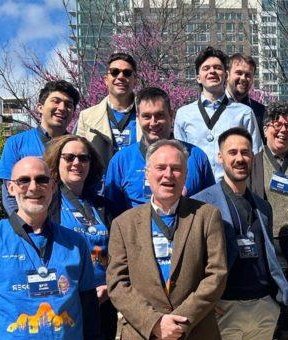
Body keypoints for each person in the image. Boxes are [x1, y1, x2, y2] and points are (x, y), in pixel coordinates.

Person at [0, 157, 103, 340]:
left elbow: (89, 308)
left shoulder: (76, 243)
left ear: (52, 186)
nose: (33, 187)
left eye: (42, 180)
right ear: (11, 188)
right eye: (24, 180)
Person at [106, 139, 228, 340]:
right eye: (161, 168)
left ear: (185, 174)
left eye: (176, 168)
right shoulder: (123, 223)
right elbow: (117, 283)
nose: (168, 175)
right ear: (146, 173)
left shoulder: (207, 216)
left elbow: (216, 274)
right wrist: (155, 323)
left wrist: (179, 321)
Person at [192, 127, 288, 340]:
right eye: (233, 152)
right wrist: (204, 303)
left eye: (245, 153)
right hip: (223, 307)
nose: (240, 158)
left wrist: (273, 303)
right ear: (220, 157)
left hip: (262, 307)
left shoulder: (262, 206)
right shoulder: (201, 204)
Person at [44, 134, 116, 340]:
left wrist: (109, 285)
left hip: (103, 302)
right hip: (65, 302)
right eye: (69, 157)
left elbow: (117, 250)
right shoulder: (47, 203)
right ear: (57, 161)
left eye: (83, 158)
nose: (77, 163)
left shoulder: (102, 206)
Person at [248, 101, 288, 340]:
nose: (283, 129)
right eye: (277, 124)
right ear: (265, 129)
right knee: (272, 316)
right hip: (268, 249)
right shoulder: (253, 163)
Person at [105, 87, 215, 218]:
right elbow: (112, 212)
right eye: (147, 116)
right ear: (138, 118)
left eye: (159, 115)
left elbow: (210, 206)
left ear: (171, 115)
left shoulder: (196, 157)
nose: (153, 122)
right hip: (138, 235)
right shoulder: (121, 161)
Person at [174, 47, 263, 178]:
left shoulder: (244, 113)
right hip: (196, 191)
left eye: (217, 67)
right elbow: (179, 157)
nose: (212, 71)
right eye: (206, 68)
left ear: (226, 75)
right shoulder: (184, 114)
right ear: (198, 78)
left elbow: (256, 155)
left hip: (231, 189)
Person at [0, 80, 80, 215]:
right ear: (40, 107)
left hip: (71, 223)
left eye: (68, 105)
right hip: (32, 222)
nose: (62, 108)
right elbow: (9, 193)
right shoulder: (16, 143)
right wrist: (23, 226)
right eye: (56, 101)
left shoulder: (78, 147)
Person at [76, 52, 140, 168]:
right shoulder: (86, 117)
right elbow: (78, 155)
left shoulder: (149, 115)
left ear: (134, 80)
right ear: (106, 80)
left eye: (127, 73)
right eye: (115, 72)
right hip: (100, 184)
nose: (120, 77)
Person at [226, 53, 266, 140]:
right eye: (239, 73)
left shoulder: (261, 112)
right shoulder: (214, 106)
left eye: (248, 75)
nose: (243, 78)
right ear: (227, 75)